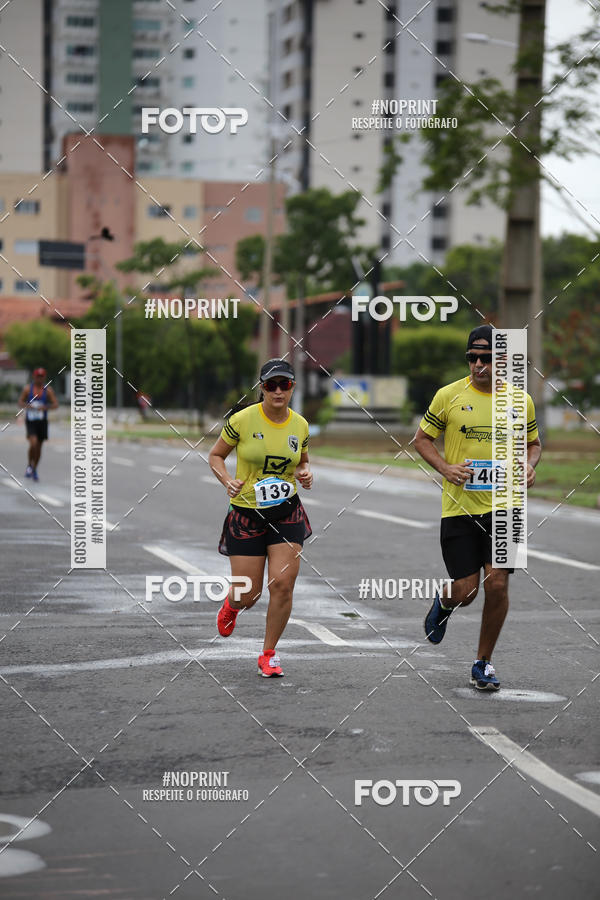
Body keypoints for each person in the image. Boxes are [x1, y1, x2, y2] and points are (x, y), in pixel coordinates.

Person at [414, 325, 542, 691]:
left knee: (497, 584)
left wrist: (530, 464)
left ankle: (482, 662)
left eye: (487, 358)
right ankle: (445, 602)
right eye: (473, 358)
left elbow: (533, 443)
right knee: (467, 590)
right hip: (459, 508)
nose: (478, 365)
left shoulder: (521, 401)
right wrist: (445, 468)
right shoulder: (448, 396)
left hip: (507, 507)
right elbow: (422, 439)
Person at [208, 359, 313, 677]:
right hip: (246, 513)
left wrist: (304, 473)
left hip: (286, 513)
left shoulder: (300, 425)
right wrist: (227, 481)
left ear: (293, 387)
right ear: (262, 388)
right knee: (249, 593)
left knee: (282, 585)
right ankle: (232, 605)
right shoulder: (241, 420)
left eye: (285, 384)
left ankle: (269, 653)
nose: (278, 390)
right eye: (271, 385)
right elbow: (215, 455)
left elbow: (301, 462)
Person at [18, 367, 59, 482]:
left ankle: (34, 468)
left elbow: (55, 404)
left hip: (42, 422)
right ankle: (29, 465)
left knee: (39, 447)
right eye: (37, 376)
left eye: (41, 376)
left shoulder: (48, 390)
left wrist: (45, 407)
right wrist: (28, 406)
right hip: (31, 421)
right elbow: (20, 402)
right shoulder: (28, 389)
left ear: (44, 377)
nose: (39, 379)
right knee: (33, 443)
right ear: (34, 377)